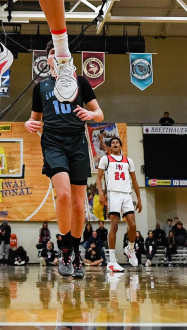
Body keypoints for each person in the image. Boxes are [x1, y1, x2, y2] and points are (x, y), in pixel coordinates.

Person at [25, 46, 104, 278]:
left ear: (68, 60)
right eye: (51, 53)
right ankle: (65, 248)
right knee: (64, 196)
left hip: (77, 142)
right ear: (48, 61)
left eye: (60, 53)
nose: (56, 56)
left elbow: (99, 113)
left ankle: (77, 253)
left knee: (80, 206)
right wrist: (28, 125)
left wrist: (91, 115)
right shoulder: (40, 87)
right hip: (53, 143)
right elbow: (33, 120)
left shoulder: (80, 82)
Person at [96, 135, 142, 272]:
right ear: (110, 147)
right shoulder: (106, 159)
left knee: (133, 225)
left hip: (126, 194)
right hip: (113, 193)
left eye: (117, 142)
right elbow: (98, 178)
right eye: (113, 143)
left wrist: (139, 199)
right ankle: (112, 261)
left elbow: (134, 181)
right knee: (114, 226)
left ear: (121, 146)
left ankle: (130, 248)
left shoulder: (128, 161)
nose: (115, 144)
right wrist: (101, 193)